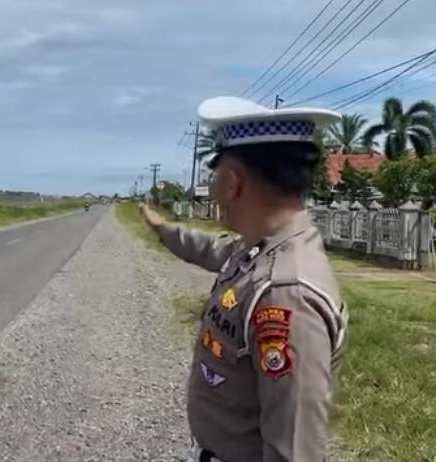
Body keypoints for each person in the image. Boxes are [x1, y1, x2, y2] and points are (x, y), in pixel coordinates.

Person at [141, 96, 348, 462]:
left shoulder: (285, 295)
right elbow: (213, 251)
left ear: (233, 182)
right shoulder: (263, 249)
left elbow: (294, 453)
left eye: (214, 175)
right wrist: (164, 230)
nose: (214, 187)